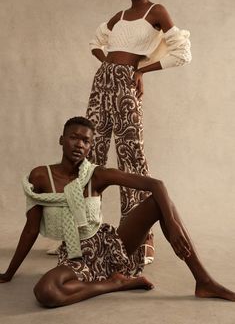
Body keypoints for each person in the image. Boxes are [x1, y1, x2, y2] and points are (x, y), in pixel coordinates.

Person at [0, 116, 234, 308]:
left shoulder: (96, 175)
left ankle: (204, 281)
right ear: (61, 140)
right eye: (74, 138)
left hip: (112, 247)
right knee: (46, 292)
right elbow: (31, 229)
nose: (80, 144)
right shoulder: (41, 177)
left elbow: (157, 185)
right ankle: (116, 283)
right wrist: (9, 273)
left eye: (86, 141)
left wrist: (171, 226)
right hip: (77, 256)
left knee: (160, 203)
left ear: (91, 146)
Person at [86, 0, 192, 264]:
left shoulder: (155, 11)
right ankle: (83, 231)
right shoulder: (118, 17)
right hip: (102, 81)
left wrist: (141, 70)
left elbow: (182, 52)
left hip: (125, 83)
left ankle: (141, 238)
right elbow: (96, 42)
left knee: (132, 157)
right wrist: (108, 64)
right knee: (92, 154)